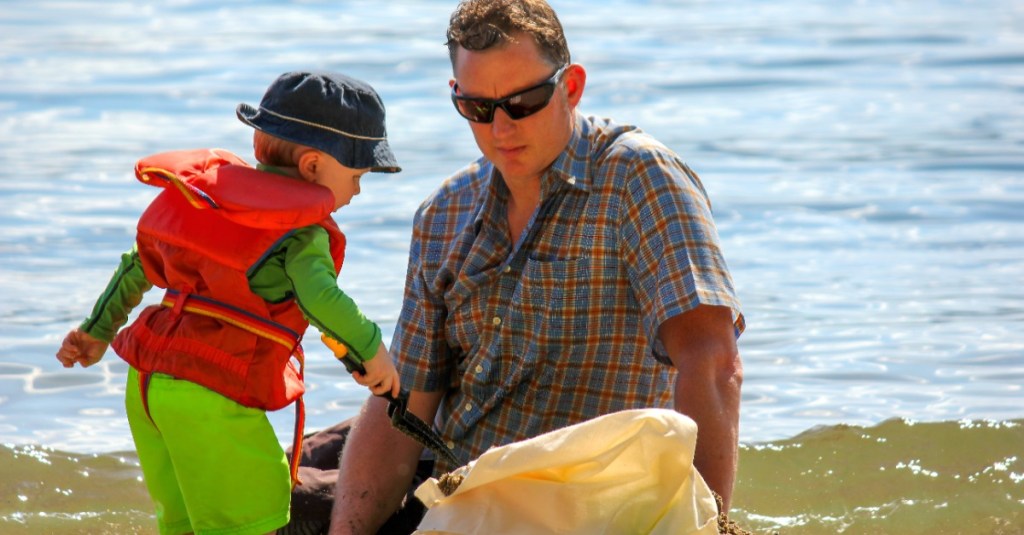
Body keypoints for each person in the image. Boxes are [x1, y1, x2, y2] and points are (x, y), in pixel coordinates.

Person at [289, 1, 745, 533]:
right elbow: (407, 406)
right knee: (259, 488)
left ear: (570, 87)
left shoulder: (639, 179)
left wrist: (710, 524)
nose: (501, 128)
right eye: (479, 109)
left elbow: (713, 363)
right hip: (453, 476)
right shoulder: (444, 213)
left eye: (523, 102)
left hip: (572, 499)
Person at [55, 70, 403, 535]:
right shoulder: (302, 233)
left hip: (148, 385)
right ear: (314, 166)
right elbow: (321, 297)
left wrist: (97, 331)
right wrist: (373, 354)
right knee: (251, 524)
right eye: (357, 176)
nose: (358, 190)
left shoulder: (202, 200)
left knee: (182, 524)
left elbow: (138, 264)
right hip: (211, 393)